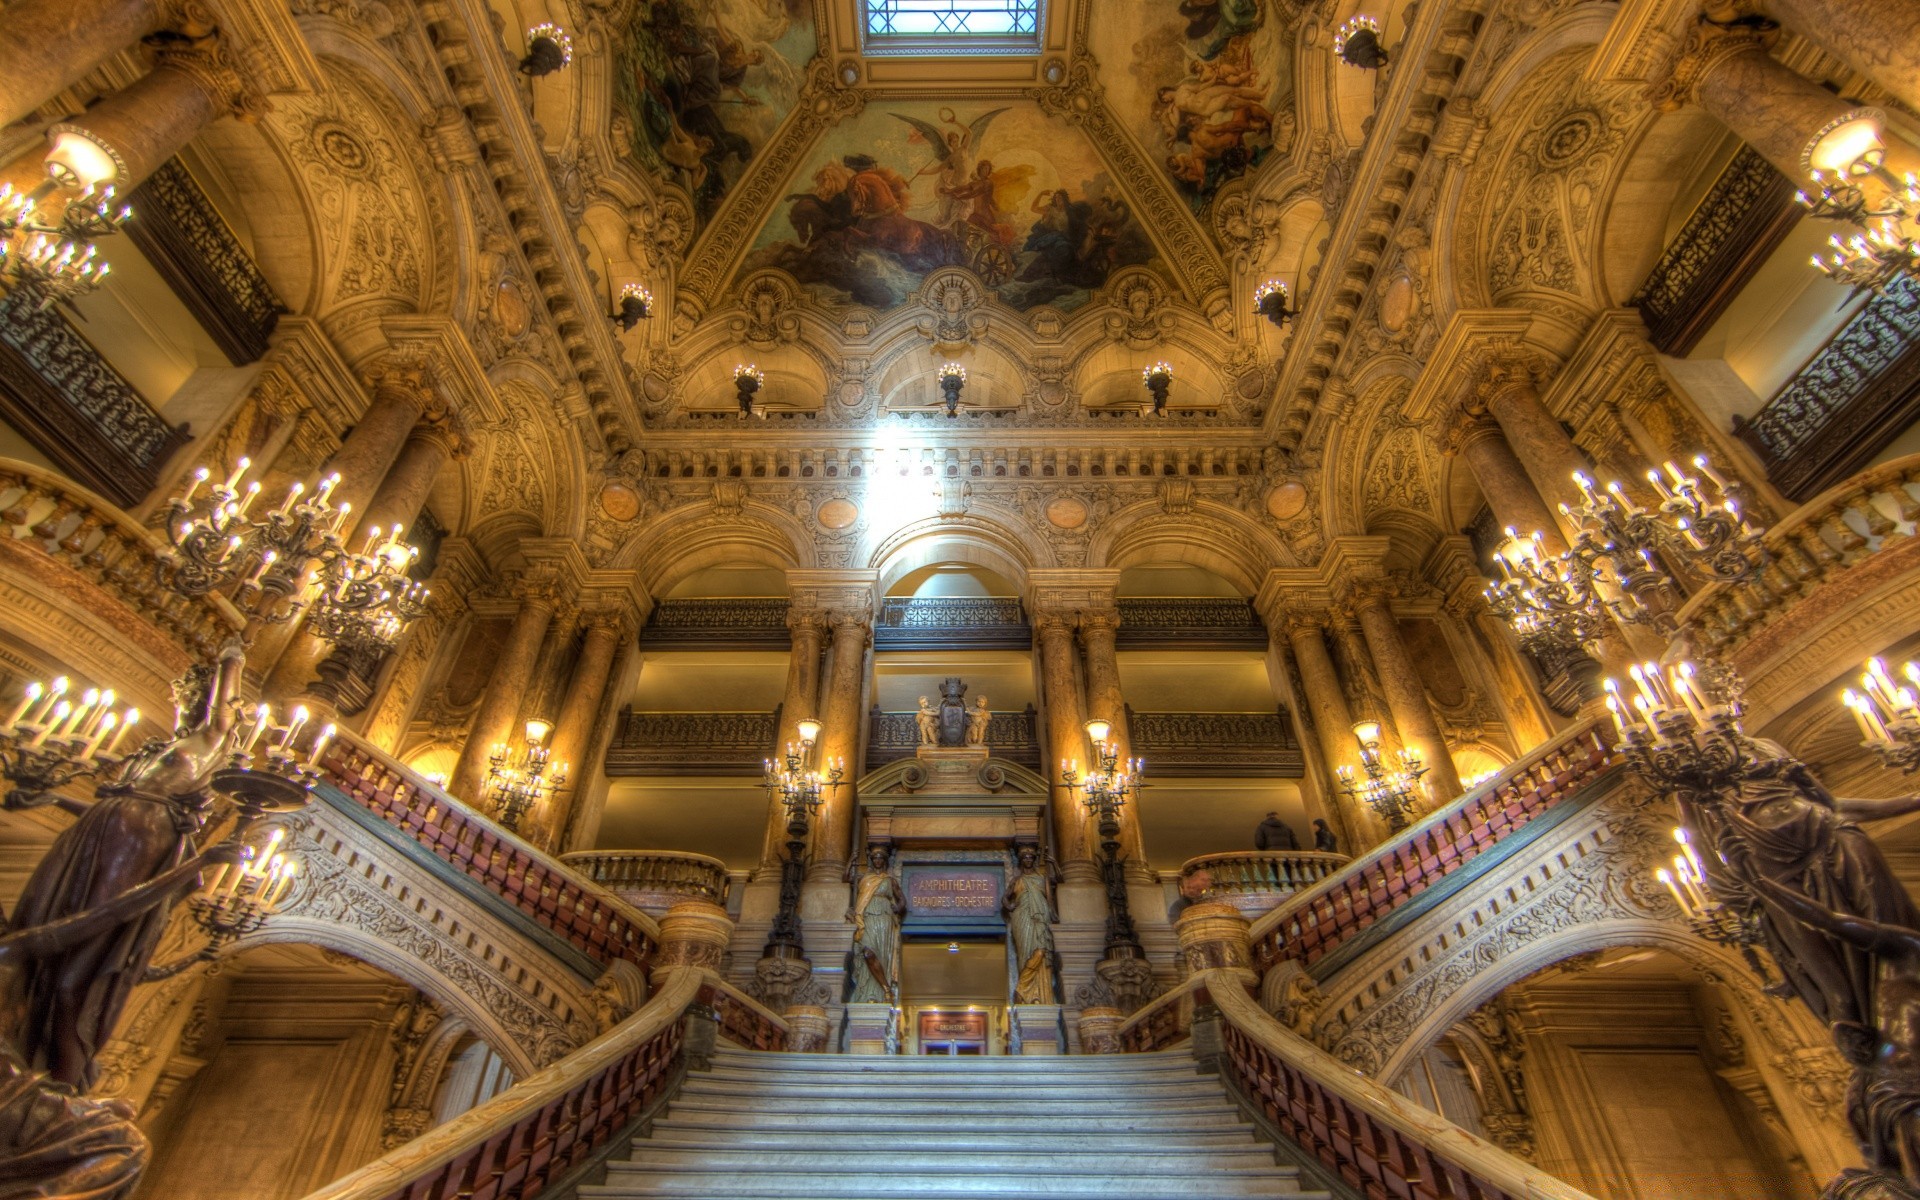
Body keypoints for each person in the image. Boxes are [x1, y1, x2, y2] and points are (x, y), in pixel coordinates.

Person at [845, 845, 905, 1003]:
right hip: (867, 916)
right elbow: (846, 878)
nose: (877, 861)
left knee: (881, 955)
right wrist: (850, 861)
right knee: (868, 952)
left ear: (884, 861)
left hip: (884, 919)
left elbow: (902, 899)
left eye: (880, 858)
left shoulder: (889, 880)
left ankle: (879, 993)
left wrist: (897, 907)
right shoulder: (865, 878)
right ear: (872, 861)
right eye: (875, 858)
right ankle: (886, 988)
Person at [1002, 846, 1057, 1005]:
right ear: (1021, 860)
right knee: (1025, 954)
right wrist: (1008, 906)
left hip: (1040, 917)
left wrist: (1053, 863)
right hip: (1022, 916)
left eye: (1030, 857)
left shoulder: (1042, 878)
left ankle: (1024, 989)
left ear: (1033, 860)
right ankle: (1026, 993)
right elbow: (1005, 898)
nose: (1027, 860)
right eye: (1025, 857)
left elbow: (1052, 895)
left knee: (1040, 952)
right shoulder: (1017, 880)